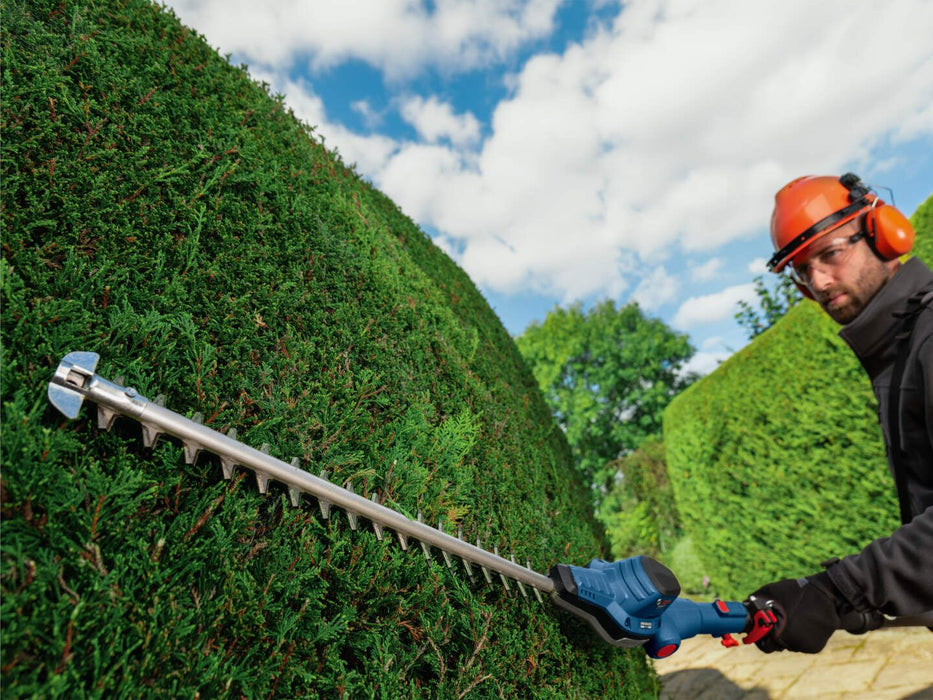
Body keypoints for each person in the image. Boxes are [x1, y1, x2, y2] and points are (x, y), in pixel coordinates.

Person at [747, 172, 933, 654]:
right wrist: (876, 598)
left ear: (884, 232)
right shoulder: (898, 348)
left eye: (831, 253)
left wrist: (836, 590)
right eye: (802, 271)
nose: (820, 282)